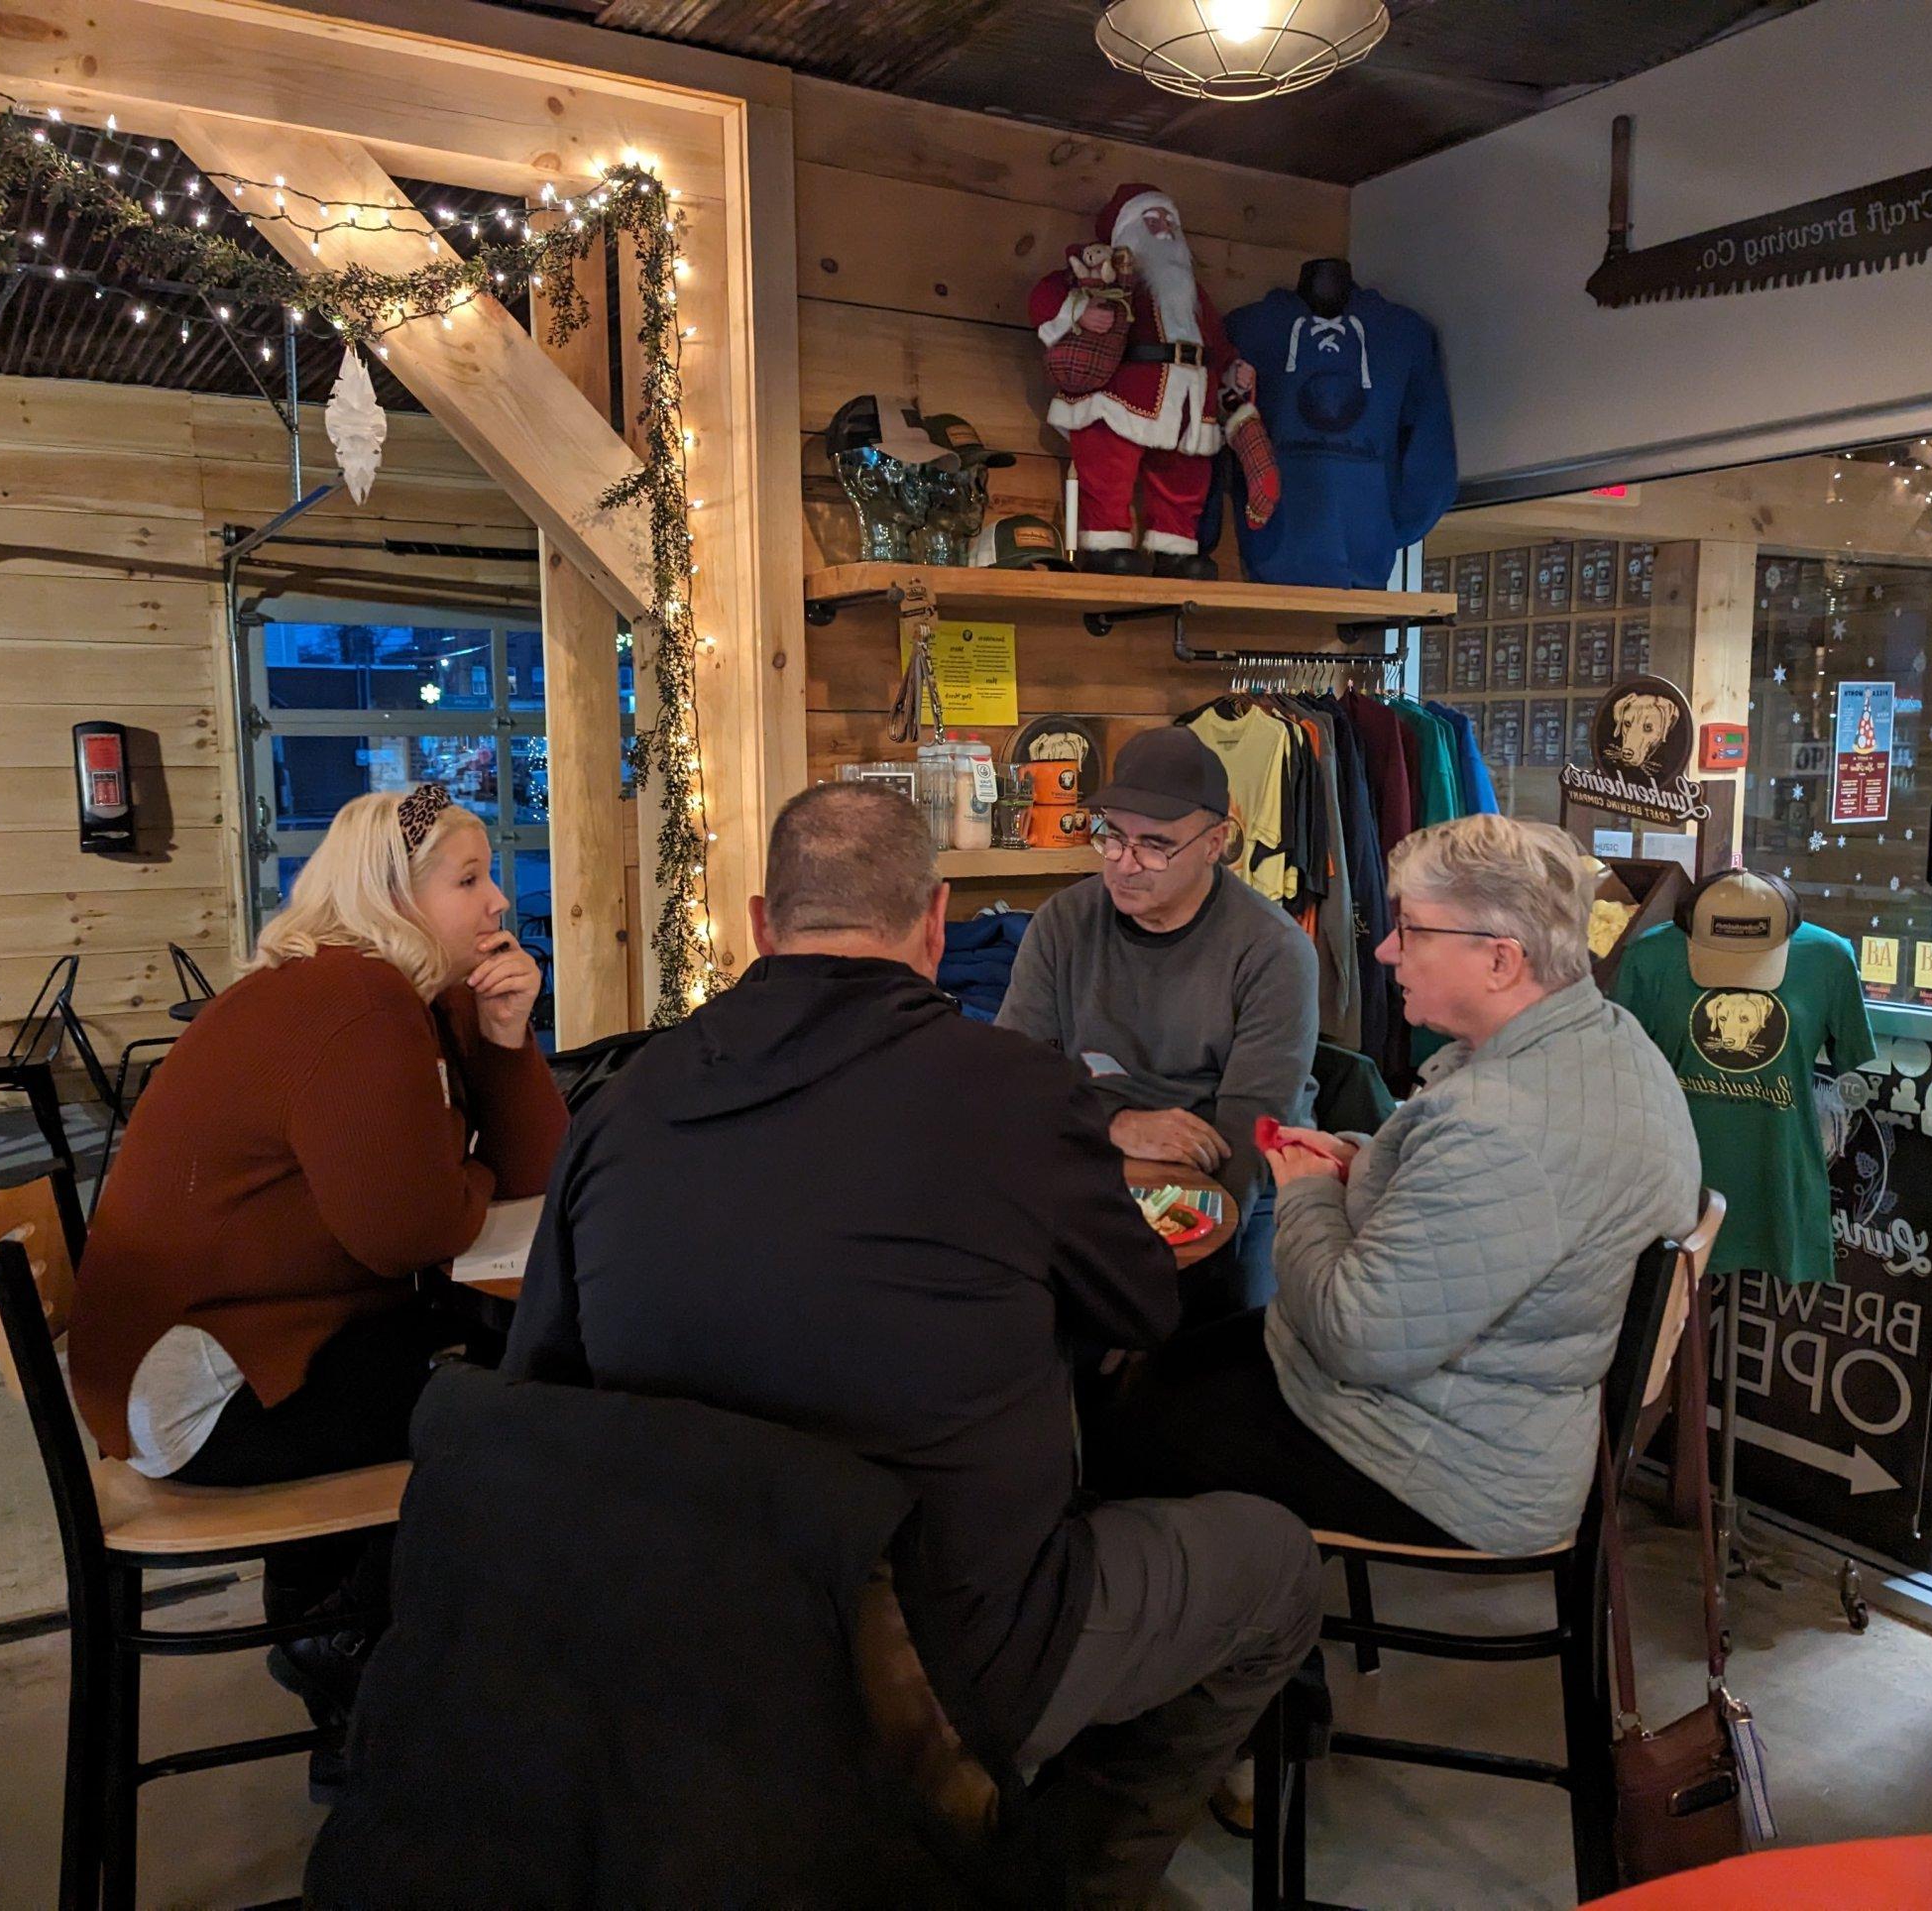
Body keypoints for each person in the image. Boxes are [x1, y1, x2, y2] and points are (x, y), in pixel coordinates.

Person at [504, 782, 1320, 1905]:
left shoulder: (617, 1104)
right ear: (936, 924)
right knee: (1275, 1566)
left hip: (680, 1627)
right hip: (946, 1646)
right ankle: (1067, 1878)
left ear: (756, 921)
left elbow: (542, 1375)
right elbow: (1140, 1309)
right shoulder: (1015, 1096)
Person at [68, 783, 566, 1734]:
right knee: (525, 1405)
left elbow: (530, 1171)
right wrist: (463, 1173)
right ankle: (362, 1662)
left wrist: (503, 1041)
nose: (499, 901)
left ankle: (348, 1667)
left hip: (236, 1347)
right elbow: (415, 1230)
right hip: (206, 1393)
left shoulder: (391, 996)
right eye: (469, 880)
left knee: (479, 1365)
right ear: (392, 897)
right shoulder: (356, 1005)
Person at [1091, 814, 1702, 1561]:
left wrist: (1311, 1190)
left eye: (1411, 931)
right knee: (1169, 1371)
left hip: (1442, 1463)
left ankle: (1242, 1649)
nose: (1385, 952)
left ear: (1501, 961)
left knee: (1121, 1429)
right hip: (1496, 1415)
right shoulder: (1604, 1041)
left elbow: (1357, 1337)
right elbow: (1471, 1199)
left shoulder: (1503, 1127)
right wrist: (1359, 1158)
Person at [996, 723, 1317, 1327]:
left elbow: (1251, 1129)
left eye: (1155, 845)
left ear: (1216, 842)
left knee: (1222, 1342)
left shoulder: (1272, 950)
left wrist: (1178, 1267)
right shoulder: (1064, 923)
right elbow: (1016, 1079)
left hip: (1239, 1176)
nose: (1124, 864)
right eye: (1112, 837)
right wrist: (1113, 1126)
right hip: (1100, 1157)